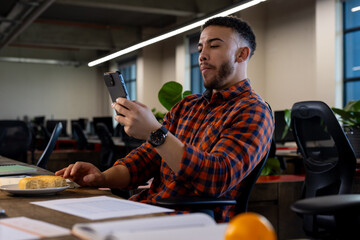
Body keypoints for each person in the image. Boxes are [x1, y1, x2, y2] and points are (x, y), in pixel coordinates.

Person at [56, 16, 274, 222]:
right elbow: (143, 161)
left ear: (241, 54)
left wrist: (155, 133)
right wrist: (102, 178)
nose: (202, 55)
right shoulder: (188, 106)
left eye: (214, 46)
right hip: (148, 210)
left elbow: (216, 177)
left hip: (190, 221)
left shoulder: (253, 111)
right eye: (200, 48)